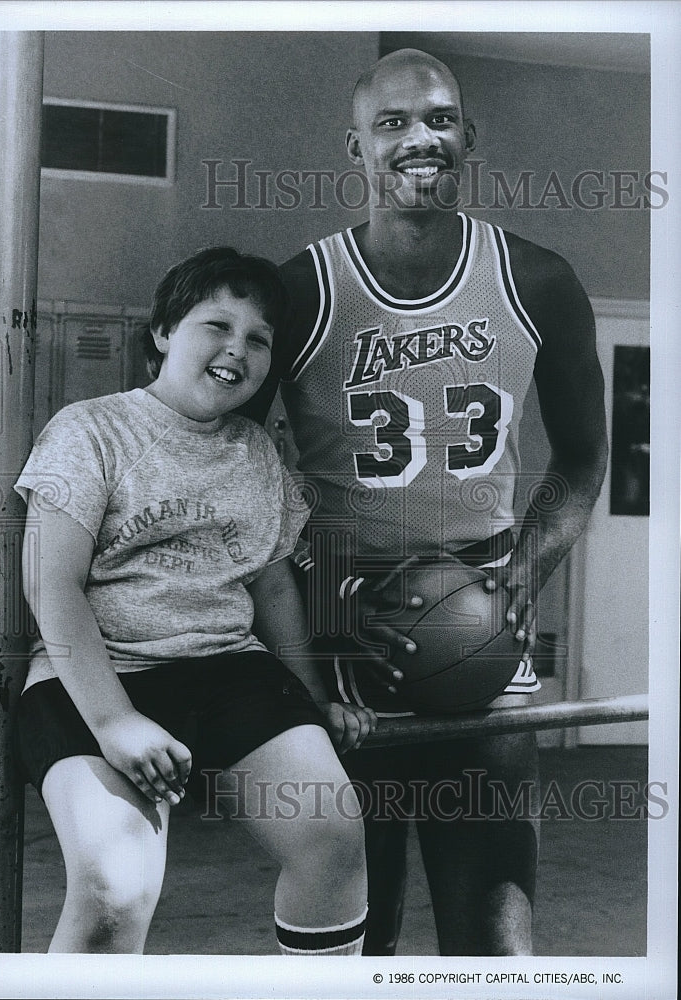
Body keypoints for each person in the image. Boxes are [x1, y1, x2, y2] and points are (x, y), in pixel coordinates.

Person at [247, 49, 608, 955]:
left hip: (483, 622)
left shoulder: (540, 280)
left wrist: (523, 574)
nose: (421, 139)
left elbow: (585, 459)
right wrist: (317, 615)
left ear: (468, 137)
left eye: (440, 119)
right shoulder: (298, 291)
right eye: (395, 122)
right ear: (355, 145)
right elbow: (235, 477)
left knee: (494, 942)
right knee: (355, 938)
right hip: (342, 635)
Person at [13, 247, 376, 955]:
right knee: (116, 888)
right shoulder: (90, 429)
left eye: (258, 339)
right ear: (163, 334)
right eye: (217, 325)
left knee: (332, 838)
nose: (237, 349)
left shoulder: (256, 451)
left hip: (226, 668)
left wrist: (313, 698)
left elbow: (272, 583)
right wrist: (115, 719)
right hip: (99, 673)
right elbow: (49, 582)